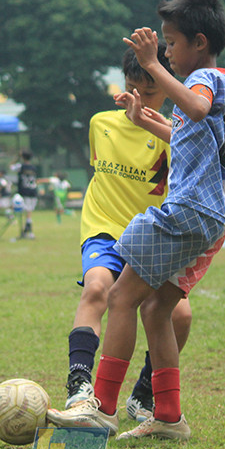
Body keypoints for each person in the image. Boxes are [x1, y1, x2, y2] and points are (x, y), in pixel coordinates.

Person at [48, 0, 225, 442]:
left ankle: (103, 408)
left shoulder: (204, 82)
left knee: (119, 298)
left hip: (186, 209)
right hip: (213, 216)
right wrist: (146, 121)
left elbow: (193, 107)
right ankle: (169, 417)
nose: (168, 53)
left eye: (171, 44)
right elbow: (191, 131)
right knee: (156, 310)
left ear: (198, 42)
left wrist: (152, 65)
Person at [58, 43, 194, 427]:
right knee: (97, 288)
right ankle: (80, 387)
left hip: (151, 236)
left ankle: (144, 393)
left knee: (179, 315)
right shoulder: (100, 124)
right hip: (104, 229)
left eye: (150, 91)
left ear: (168, 89)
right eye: (133, 87)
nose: (139, 98)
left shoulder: (176, 136)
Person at [15, 151, 39, 239]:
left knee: (27, 213)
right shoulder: (33, 168)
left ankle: (28, 232)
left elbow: (11, 167)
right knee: (29, 212)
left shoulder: (21, 166)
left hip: (24, 191)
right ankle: (27, 231)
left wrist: (16, 158)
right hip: (33, 191)